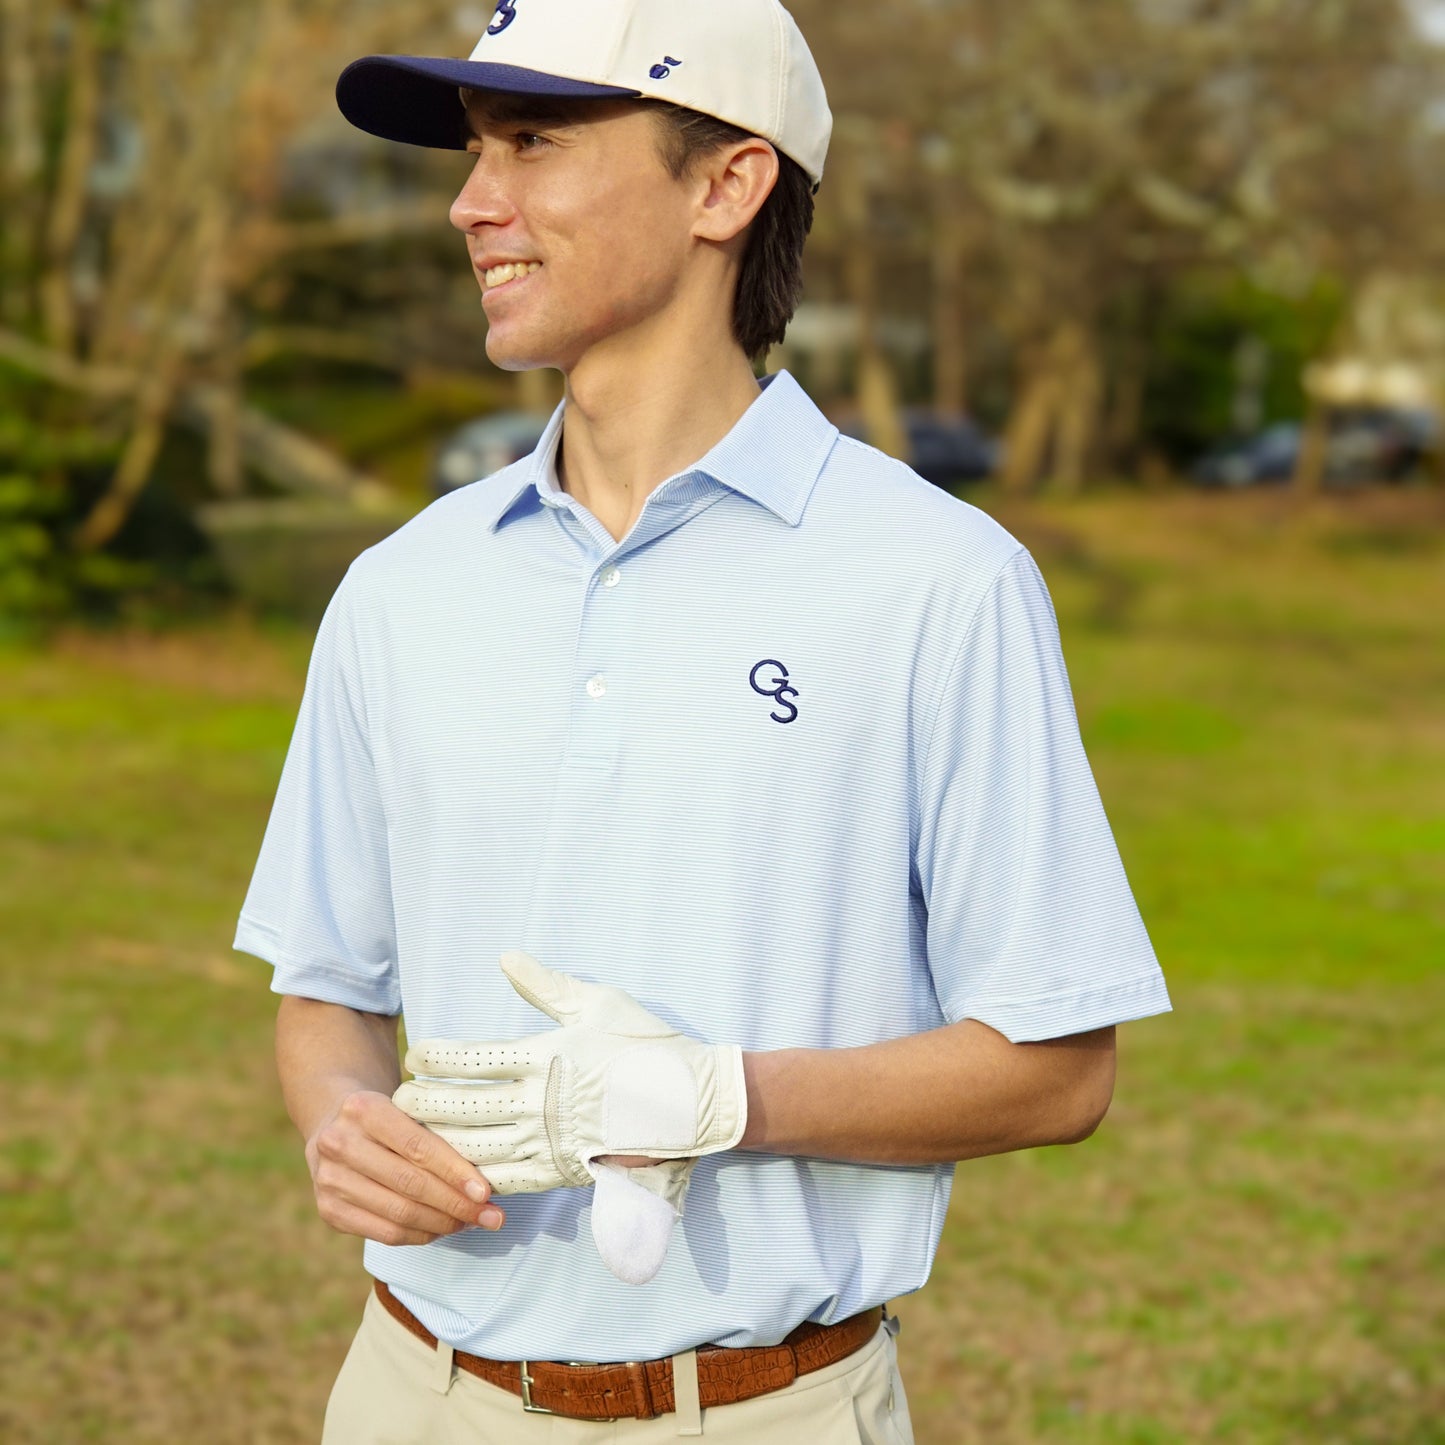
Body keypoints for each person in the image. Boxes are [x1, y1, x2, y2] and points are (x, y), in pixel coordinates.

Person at [235, 0, 1172, 1439]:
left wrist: (715, 1097)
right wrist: (343, 1126)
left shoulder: (939, 581)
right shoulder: (398, 588)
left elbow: (1057, 1066)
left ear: (725, 186)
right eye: (475, 152)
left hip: (759, 1409)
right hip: (410, 1390)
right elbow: (325, 991)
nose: (473, 203)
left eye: (535, 142)